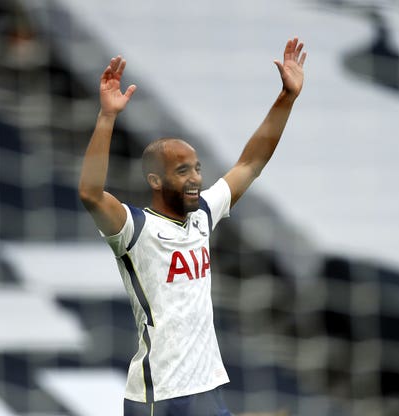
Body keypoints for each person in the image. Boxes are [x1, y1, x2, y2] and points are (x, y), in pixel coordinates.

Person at [78, 37, 307, 416]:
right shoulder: (134, 229)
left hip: (205, 389)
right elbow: (90, 193)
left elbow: (250, 163)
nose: (196, 178)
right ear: (155, 180)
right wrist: (107, 117)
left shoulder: (202, 214)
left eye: (197, 168)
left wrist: (287, 96)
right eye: (182, 170)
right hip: (160, 396)